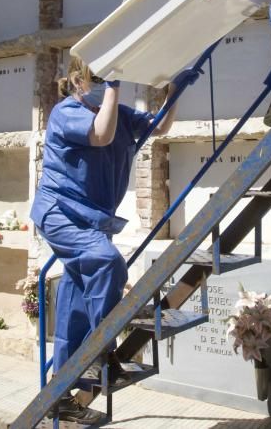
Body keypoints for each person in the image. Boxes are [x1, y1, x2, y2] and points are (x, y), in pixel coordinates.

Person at [30, 56, 198, 423]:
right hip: (61, 213)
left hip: (92, 221)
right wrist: (113, 86)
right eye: (98, 77)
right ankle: (101, 353)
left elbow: (159, 129)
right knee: (107, 262)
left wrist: (173, 92)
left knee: (75, 306)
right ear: (78, 80)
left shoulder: (117, 110)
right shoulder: (66, 112)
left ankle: (60, 392)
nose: (107, 83)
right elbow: (101, 134)